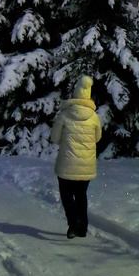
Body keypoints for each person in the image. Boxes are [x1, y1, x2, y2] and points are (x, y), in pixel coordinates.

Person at [50, 76, 102, 239]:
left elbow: (54, 138)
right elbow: (97, 137)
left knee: (66, 194)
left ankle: (73, 223)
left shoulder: (64, 114)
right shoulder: (94, 117)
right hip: (86, 164)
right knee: (81, 195)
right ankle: (82, 228)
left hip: (67, 162)